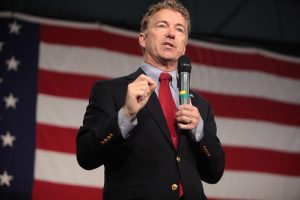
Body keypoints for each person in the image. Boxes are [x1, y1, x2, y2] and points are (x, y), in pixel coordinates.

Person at [76, 0, 225, 199]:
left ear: (184, 47)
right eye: (162, 25)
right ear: (143, 39)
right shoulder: (111, 91)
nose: (171, 33)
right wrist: (125, 115)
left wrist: (199, 131)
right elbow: (86, 156)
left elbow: (214, 173)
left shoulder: (200, 106)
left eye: (179, 29)